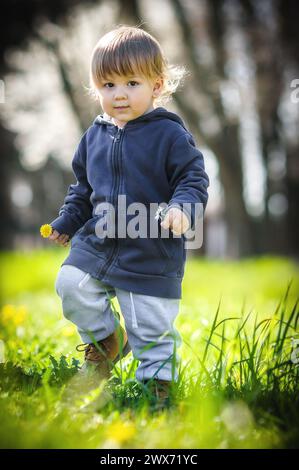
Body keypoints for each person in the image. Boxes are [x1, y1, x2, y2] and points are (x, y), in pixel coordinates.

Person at [42, 25, 209, 405]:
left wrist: (182, 209)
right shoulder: (94, 136)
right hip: (98, 243)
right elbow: (83, 188)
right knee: (70, 284)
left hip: (150, 250)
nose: (119, 94)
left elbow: (192, 179)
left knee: (150, 327)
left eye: (132, 83)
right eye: (108, 85)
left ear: (156, 85)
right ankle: (104, 343)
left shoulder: (169, 135)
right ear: (95, 88)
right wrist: (68, 221)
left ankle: (157, 390)